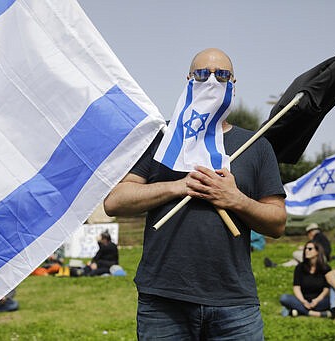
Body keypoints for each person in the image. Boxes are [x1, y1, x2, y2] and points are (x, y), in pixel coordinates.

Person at [104, 48, 286, 340]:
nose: (212, 80)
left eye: (222, 75)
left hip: (234, 301)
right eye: (202, 74)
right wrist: (179, 186)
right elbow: (116, 200)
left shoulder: (255, 145)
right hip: (164, 300)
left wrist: (234, 198)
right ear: (188, 79)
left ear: (233, 82)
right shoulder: (162, 139)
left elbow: (277, 222)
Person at [279, 241, 331, 318]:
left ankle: (297, 311)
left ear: (317, 252)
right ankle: (314, 313)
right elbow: (296, 287)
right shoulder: (299, 267)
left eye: (310, 249)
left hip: (319, 300)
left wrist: (316, 300)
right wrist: (303, 301)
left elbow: (326, 289)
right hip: (302, 300)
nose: (306, 250)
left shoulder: (326, 268)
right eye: (305, 249)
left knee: (332, 301)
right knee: (284, 298)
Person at [264, 222, 331, 268]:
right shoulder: (321, 237)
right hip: (321, 258)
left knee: (295, 253)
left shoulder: (318, 236)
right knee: (295, 261)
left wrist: (304, 248)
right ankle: (278, 265)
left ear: (311, 232)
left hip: (320, 259)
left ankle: (311, 266)